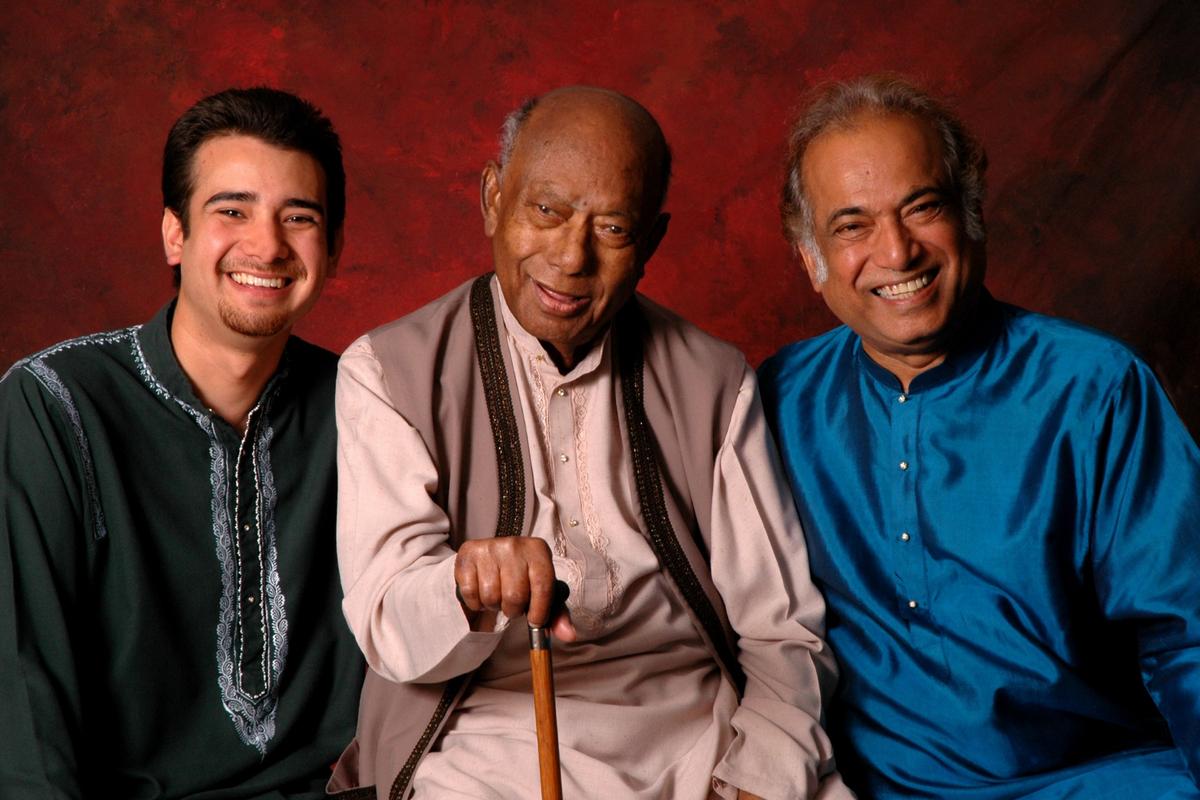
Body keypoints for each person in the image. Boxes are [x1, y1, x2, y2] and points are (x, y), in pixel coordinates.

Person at [329, 86, 849, 800]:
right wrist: (466, 586)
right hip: (482, 741)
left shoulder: (716, 380)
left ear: (652, 242)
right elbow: (389, 629)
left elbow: (783, 632)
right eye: (546, 211)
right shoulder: (388, 372)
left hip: (698, 736)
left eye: (612, 228)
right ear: (492, 200)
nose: (571, 257)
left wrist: (758, 776)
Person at [759, 73, 1200, 799]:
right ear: (812, 259)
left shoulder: (1095, 389)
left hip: (1087, 782)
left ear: (971, 216)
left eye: (922, 208)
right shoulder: (776, 401)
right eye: (852, 226)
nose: (897, 253)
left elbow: (1187, 632)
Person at [0, 87, 363, 797]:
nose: (267, 245)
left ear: (335, 246)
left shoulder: (368, 407)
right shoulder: (54, 407)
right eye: (232, 211)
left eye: (299, 217)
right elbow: (21, 707)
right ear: (175, 233)